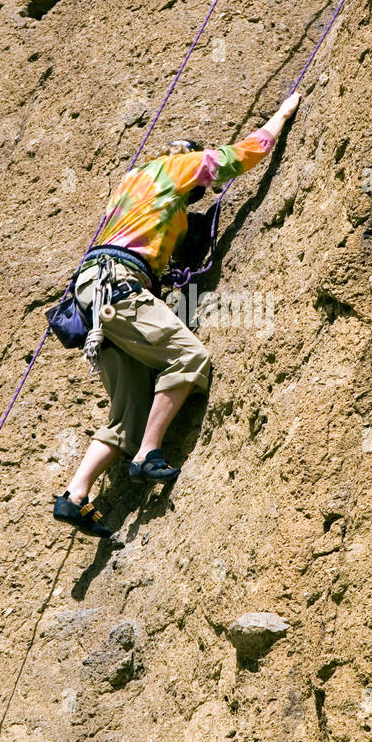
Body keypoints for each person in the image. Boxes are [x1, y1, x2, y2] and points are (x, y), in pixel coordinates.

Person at [53, 91, 301, 536]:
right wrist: (281, 116)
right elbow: (236, 157)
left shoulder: (130, 184)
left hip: (93, 297)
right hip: (118, 285)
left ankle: (74, 496)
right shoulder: (174, 168)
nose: (197, 192)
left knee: (124, 416)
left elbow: (155, 230)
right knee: (187, 357)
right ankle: (149, 454)